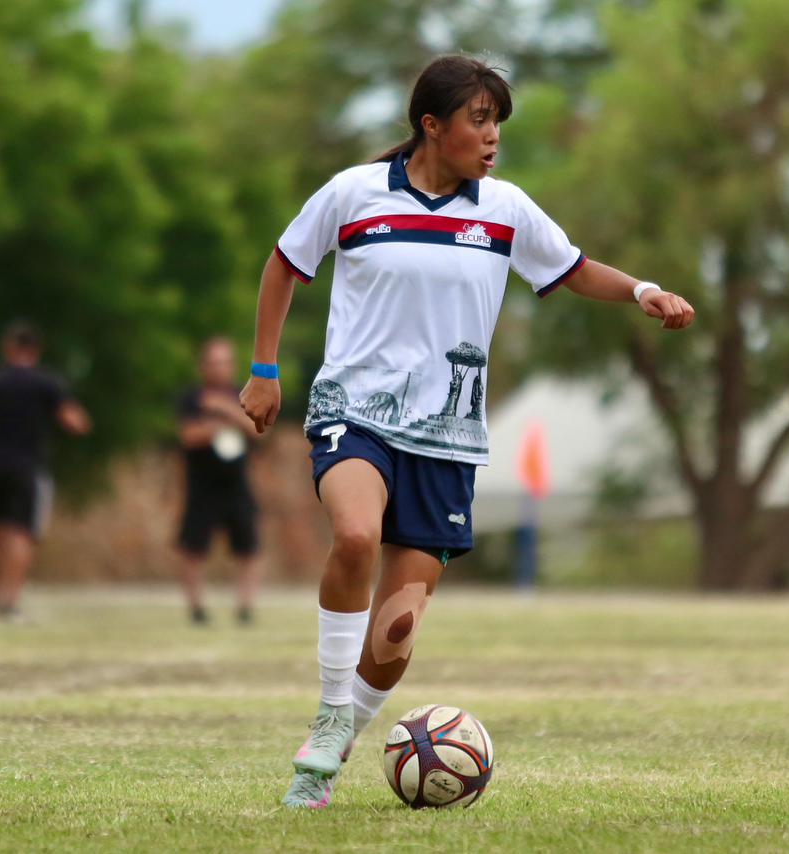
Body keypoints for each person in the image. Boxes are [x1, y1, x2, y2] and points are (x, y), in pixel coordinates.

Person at [239, 55, 695, 809]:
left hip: (447, 440)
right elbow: (284, 266)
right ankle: (327, 718)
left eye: (497, 124)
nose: (492, 138)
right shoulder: (353, 193)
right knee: (354, 537)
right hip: (354, 412)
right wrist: (263, 369)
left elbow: (574, 268)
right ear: (431, 124)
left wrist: (642, 290)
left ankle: (330, 753)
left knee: (396, 630)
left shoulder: (505, 210)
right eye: (480, 121)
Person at [0, 322, 91, 620]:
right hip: (28, 466)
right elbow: (74, 423)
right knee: (22, 533)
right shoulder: (47, 383)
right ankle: (9, 600)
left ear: (8, 349)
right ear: (36, 351)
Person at [176, 337, 263, 626]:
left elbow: (257, 431)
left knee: (247, 547)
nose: (219, 368)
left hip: (236, 482)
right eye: (213, 362)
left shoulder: (243, 394)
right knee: (194, 547)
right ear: (203, 366)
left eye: (224, 362)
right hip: (202, 484)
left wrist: (226, 411)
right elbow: (188, 436)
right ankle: (197, 607)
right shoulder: (192, 398)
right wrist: (215, 428)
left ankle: (246, 607)